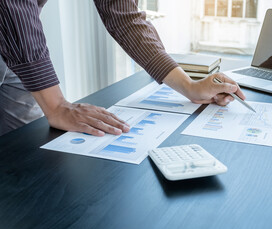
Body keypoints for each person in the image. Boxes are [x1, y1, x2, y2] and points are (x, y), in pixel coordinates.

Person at [0, 0, 245, 137]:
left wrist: (189, 86)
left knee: (19, 155)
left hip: (15, 56)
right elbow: (12, 7)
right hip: (18, 44)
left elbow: (124, 17)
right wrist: (56, 105)